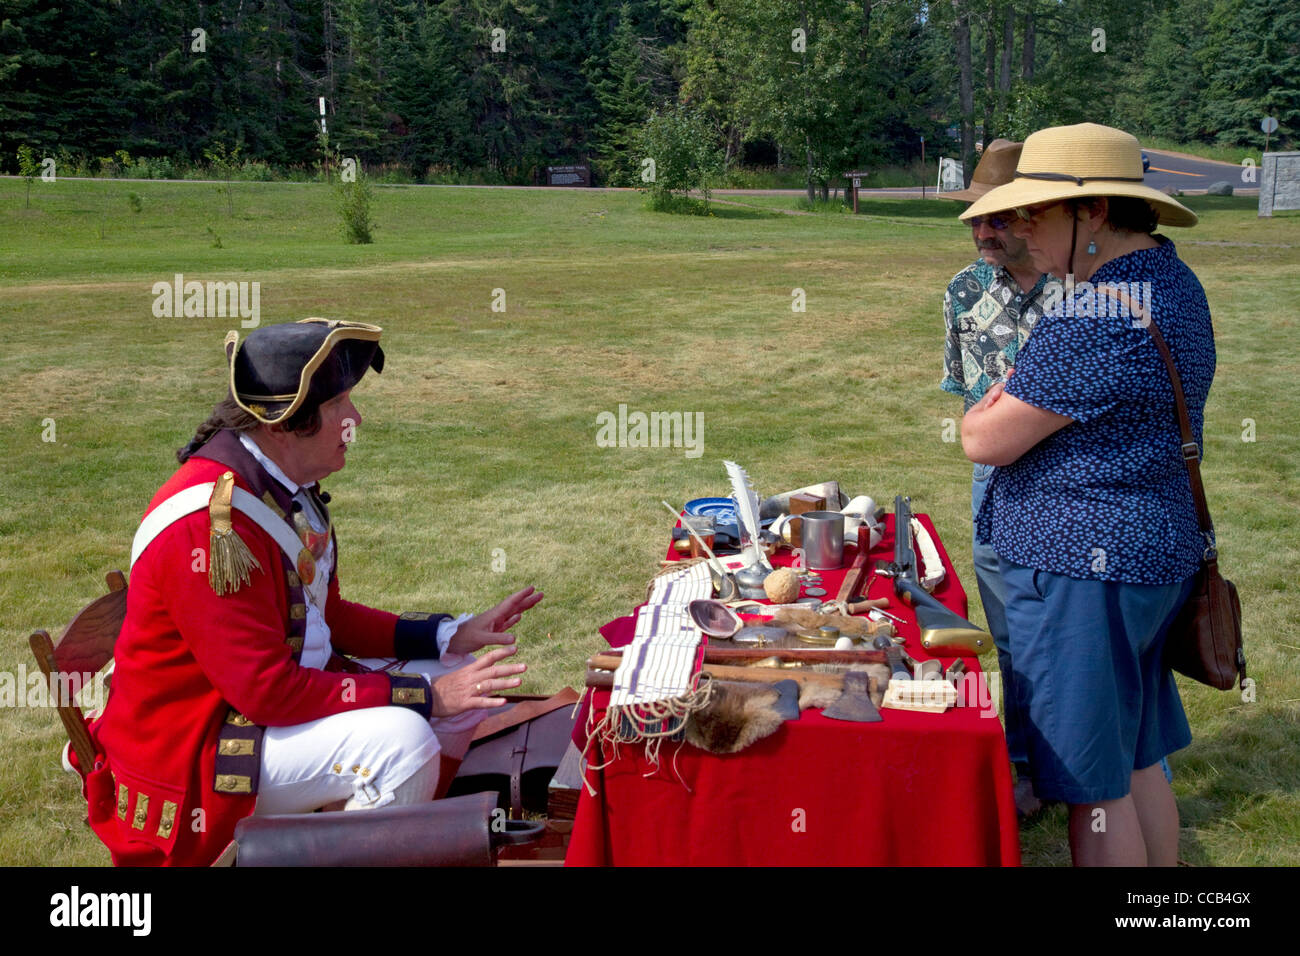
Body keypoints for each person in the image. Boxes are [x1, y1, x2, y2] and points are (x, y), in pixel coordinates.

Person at [81, 318, 544, 865]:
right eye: (340, 405)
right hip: (199, 749)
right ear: (284, 425)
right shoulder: (211, 526)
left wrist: (448, 636)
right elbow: (266, 691)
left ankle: (414, 844)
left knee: (463, 692)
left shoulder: (280, 489)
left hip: (253, 715)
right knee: (404, 742)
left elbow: (330, 617)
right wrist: (422, 695)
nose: (356, 420)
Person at [959, 123, 1211, 866]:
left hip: (1087, 575)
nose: (1020, 228)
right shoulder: (1173, 280)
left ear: (1093, 212)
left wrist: (988, 407)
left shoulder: (1091, 314)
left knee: (1092, 788)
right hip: (1150, 557)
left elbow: (985, 438)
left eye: (1036, 212)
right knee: (1134, 761)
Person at [940, 138, 1059, 816]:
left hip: (1066, 481)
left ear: (1033, 215)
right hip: (993, 481)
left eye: (999, 217)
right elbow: (963, 389)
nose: (984, 231)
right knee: (1009, 631)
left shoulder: (1080, 288)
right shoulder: (962, 290)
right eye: (975, 218)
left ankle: (1087, 763)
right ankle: (1024, 767)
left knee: (1067, 629)